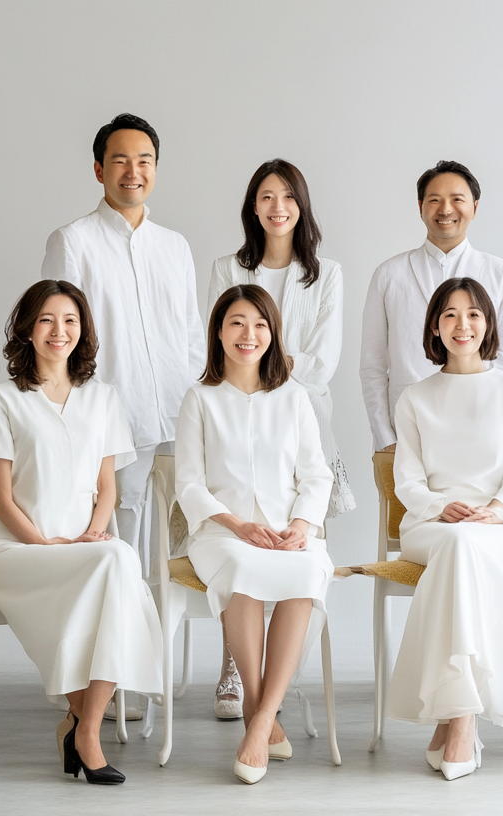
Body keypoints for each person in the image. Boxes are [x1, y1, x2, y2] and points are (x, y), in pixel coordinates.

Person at [0, 280, 163, 785]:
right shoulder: (3, 399)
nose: (60, 330)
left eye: (70, 320)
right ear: (28, 329)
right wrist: (44, 543)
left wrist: (91, 535)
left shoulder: (103, 398)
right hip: (18, 550)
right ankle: (85, 732)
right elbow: (2, 499)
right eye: (48, 320)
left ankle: (84, 726)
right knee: (120, 568)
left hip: (82, 551)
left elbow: (107, 491)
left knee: (115, 561)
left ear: (83, 330)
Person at [206, 159, 355, 720]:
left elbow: (323, 360)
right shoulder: (228, 267)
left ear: (302, 206)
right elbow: (223, 344)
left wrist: (263, 362)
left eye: (287, 196)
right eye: (266, 196)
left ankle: (275, 682)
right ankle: (233, 669)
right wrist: (261, 361)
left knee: (294, 546)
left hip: (304, 427)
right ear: (253, 206)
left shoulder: (327, 274)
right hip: (234, 425)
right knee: (242, 546)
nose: (277, 206)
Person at [175, 284, 335, 784]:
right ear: (219, 332)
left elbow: (317, 475)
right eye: (237, 323)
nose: (249, 335)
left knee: (306, 569)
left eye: (260, 324)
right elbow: (188, 483)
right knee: (242, 567)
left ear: (273, 333)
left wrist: (301, 525)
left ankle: (261, 716)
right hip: (221, 533)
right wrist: (238, 524)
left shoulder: (293, 397)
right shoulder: (199, 399)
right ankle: (257, 709)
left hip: (287, 531)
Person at [385, 277, 503, 781]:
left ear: (488, 323)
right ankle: (463, 719)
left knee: (466, 547)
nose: (462, 324)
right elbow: (406, 481)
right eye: (449, 314)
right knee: (456, 544)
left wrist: (492, 510)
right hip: (431, 524)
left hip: (500, 524)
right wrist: (441, 506)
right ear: (434, 326)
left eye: (473, 314)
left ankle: (454, 716)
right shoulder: (415, 397)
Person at [41, 112, 207, 565]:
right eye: (120, 161)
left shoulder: (174, 246)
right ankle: (127, 633)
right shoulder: (72, 242)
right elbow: (57, 341)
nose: (133, 172)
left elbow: (192, 333)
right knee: (123, 536)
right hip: (115, 417)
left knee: (183, 539)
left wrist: (200, 404)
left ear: (155, 167)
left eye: (145, 160)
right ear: (99, 170)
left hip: (178, 414)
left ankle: (163, 636)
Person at [360, 160, 503, 452]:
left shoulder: (502, 274)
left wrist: (492, 426)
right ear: (420, 206)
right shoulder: (390, 274)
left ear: (475, 207)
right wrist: (386, 438)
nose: (446, 209)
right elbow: (373, 365)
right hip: (406, 436)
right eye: (435, 200)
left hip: (483, 434)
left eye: (457, 199)